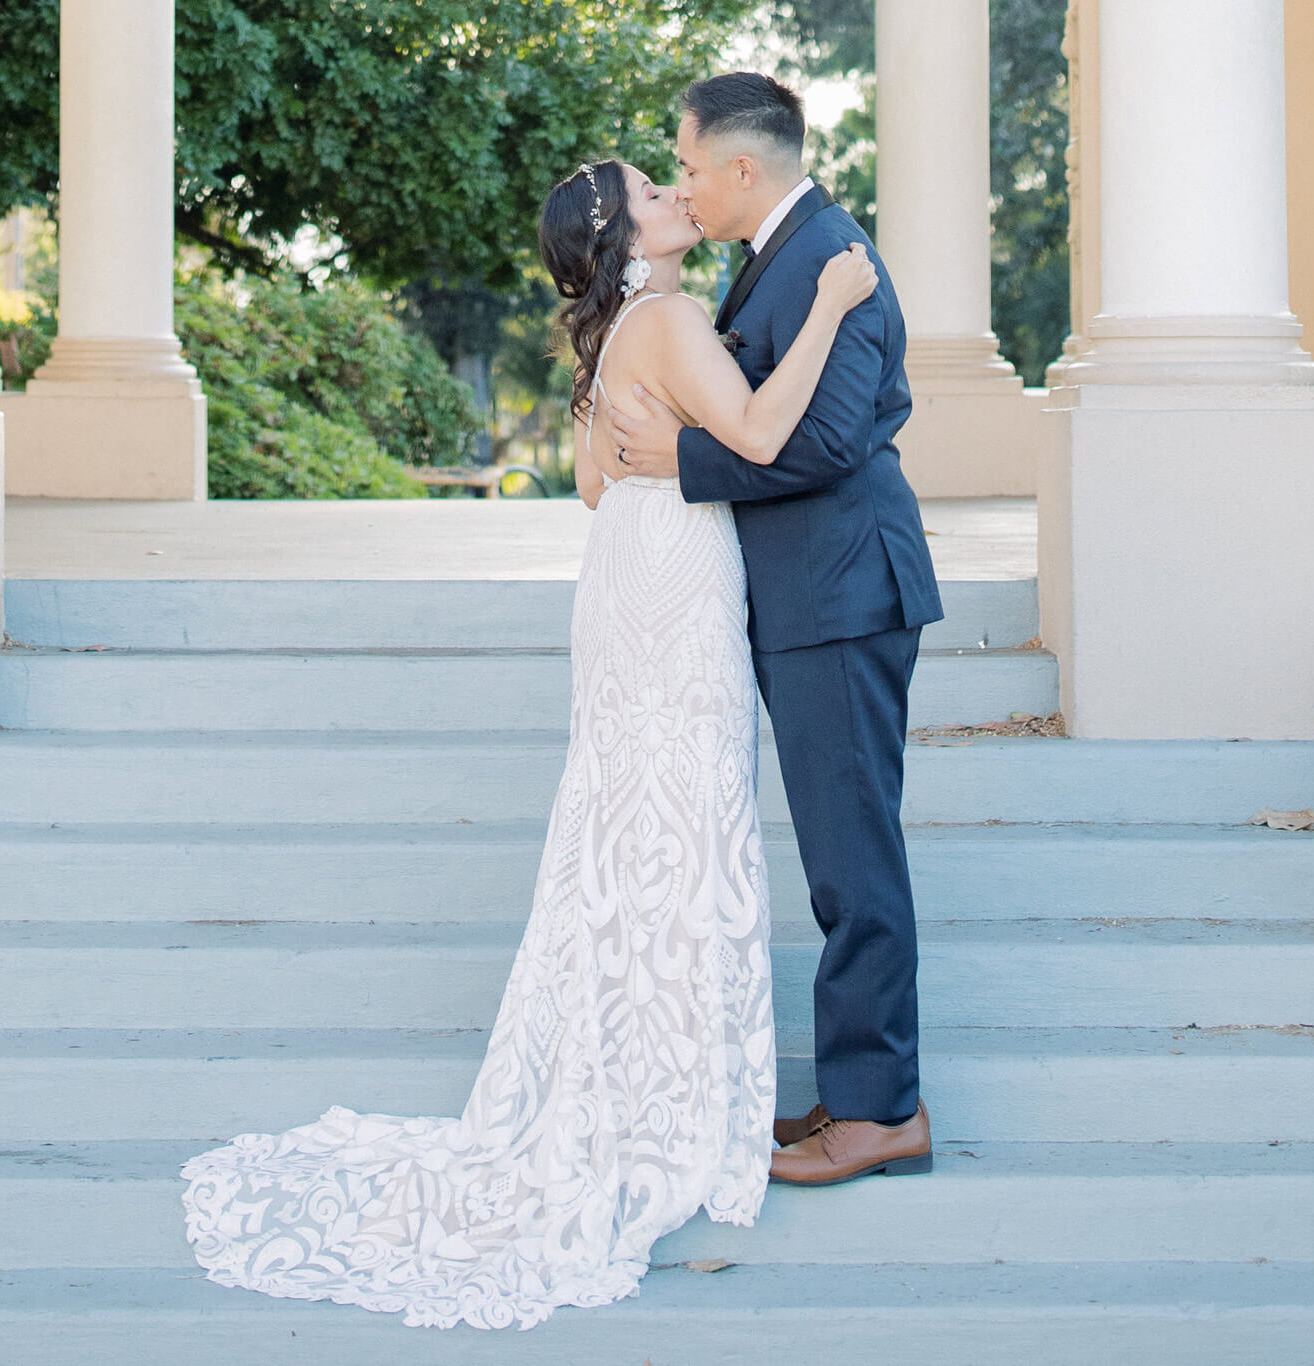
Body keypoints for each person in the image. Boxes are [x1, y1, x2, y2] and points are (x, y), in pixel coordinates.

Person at [179, 141, 879, 1329]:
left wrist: (662, 453)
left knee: (628, 820)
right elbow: (760, 436)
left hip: (624, 581)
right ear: (623, 237)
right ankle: (667, 1101)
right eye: (654, 194)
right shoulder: (663, 322)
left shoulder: (616, 333)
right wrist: (829, 305)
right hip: (675, 591)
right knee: (676, 819)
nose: (675, 196)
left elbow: (602, 487)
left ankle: (640, 1077)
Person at [606, 71, 945, 1188]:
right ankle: (854, 1090)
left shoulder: (825, 258)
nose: (685, 188)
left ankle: (880, 1111)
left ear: (742, 169)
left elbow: (830, 440)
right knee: (842, 854)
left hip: (842, 593)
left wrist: (681, 463)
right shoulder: (785, 257)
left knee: (854, 859)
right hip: (810, 592)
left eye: (691, 169)